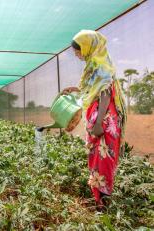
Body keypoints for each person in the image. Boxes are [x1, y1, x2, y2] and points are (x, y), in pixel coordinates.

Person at [62, 30, 127, 211]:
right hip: (98, 119)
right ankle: (99, 200)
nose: (76, 54)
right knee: (96, 159)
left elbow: (105, 94)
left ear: (88, 46)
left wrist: (98, 123)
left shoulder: (101, 66)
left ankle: (103, 204)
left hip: (104, 121)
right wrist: (73, 89)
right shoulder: (92, 65)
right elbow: (90, 89)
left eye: (78, 50)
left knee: (104, 160)